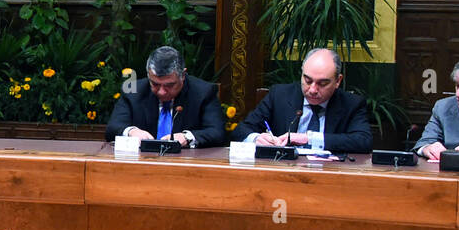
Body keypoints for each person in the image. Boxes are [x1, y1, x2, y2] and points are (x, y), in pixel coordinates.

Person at [232, 48, 372, 154]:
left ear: (338, 81)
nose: (312, 89)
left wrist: (308, 139)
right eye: (308, 80)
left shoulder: (351, 104)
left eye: (322, 83)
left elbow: (363, 141)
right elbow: (241, 130)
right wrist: (256, 138)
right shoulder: (279, 95)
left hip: (330, 176)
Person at [106, 45, 226, 148]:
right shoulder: (133, 91)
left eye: (169, 85)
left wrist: (187, 137)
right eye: (155, 84)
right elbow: (113, 128)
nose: (161, 92)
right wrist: (131, 132)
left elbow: (217, 132)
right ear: (148, 74)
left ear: (183, 75)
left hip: (186, 163)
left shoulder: (203, 92)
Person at [417, 54, 459, 161]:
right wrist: (427, 148)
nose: (458, 94)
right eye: (457, 86)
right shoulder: (444, 107)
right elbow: (423, 143)